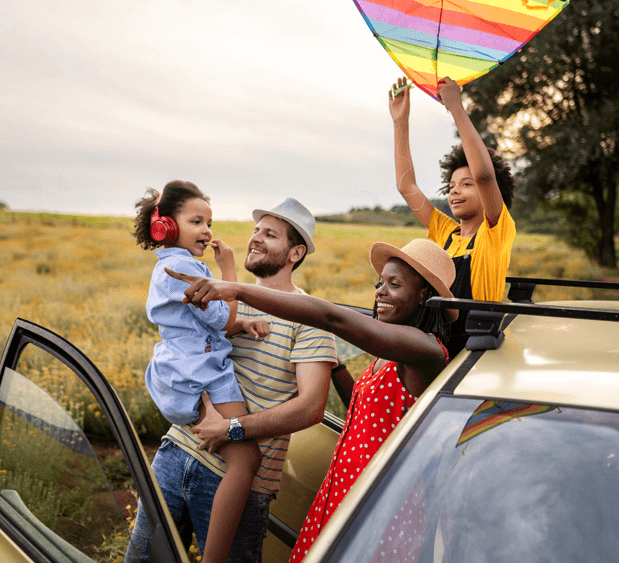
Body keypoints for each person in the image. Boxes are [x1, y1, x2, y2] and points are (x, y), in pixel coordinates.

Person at [166, 237, 458, 563]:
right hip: (344, 493)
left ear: (423, 296)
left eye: (395, 284)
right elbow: (361, 414)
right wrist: (330, 362)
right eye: (379, 283)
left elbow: (332, 318)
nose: (380, 292)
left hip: (380, 506)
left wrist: (237, 290)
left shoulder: (427, 351)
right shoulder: (388, 357)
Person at [128, 198, 343, 563]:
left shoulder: (308, 317)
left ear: (296, 252)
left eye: (270, 234)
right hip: (175, 453)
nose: (255, 238)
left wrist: (232, 429)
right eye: (256, 230)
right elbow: (179, 342)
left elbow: (310, 408)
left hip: (237, 481)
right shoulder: (225, 297)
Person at [130, 181, 265, 563]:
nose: (207, 230)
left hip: (180, 373)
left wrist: (243, 326)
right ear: (167, 227)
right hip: (202, 376)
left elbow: (202, 324)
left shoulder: (167, 266)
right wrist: (228, 270)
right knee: (247, 460)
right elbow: (222, 319)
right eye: (196, 221)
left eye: (209, 222)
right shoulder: (188, 269)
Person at [389, 76, 516, 352]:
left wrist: (456, 107)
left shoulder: (495, 230)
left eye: (466, 185)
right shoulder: (444, 231)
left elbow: (484, 174)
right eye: (452, 186)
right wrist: (401, 122)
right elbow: (406, 186)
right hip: (438, 341)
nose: (455, 192)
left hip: (474, 346)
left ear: (489, 193)